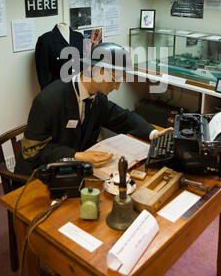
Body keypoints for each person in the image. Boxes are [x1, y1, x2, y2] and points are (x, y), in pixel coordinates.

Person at [14, 42, 172, 177]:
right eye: (115, 80)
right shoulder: (47, 100)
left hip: (75, 171)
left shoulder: (98, 98)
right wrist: (78, 156)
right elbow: (32, 152)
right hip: (37, 176)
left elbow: (123, 117)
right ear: (99, 70)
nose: (117, 87)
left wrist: (154, 134)